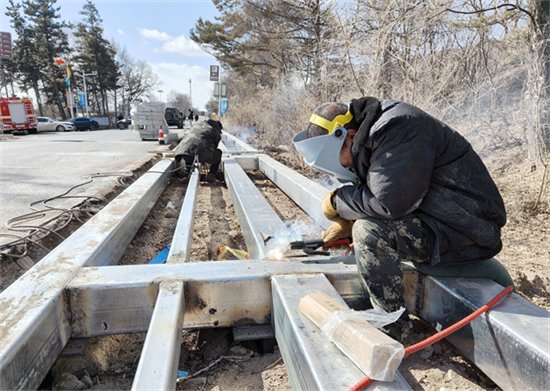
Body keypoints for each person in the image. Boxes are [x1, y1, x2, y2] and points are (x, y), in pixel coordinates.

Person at [293, 97, 513, 341]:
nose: (338, 168)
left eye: (336, 159)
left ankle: (394, 331)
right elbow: (391, 191)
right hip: (439, 219)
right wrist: (350, 220)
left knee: (369, 232)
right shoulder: (371, 137)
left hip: (464, 228)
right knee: (365, 228)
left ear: (349, 136)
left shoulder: (398, 129)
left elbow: (388, 204)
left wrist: (339, 201)